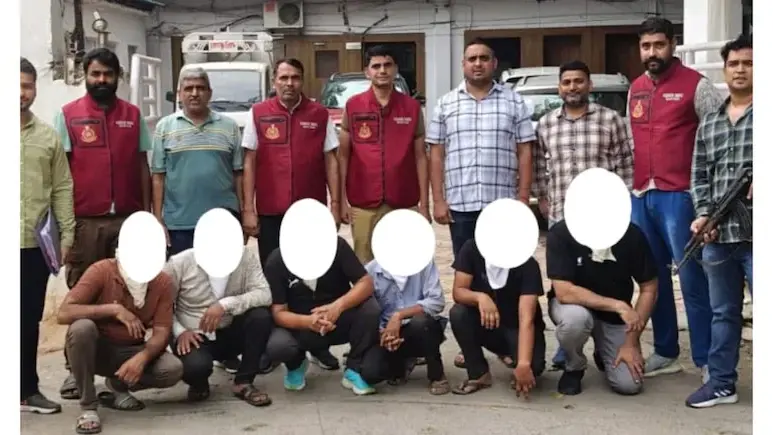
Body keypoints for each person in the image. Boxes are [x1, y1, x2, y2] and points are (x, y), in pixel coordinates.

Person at [426, 38, 536, 370]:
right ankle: (471, 344)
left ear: (494, 63)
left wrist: (522, 198)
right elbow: (436, 154)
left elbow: (525, 151)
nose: (477, 63)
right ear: (463, 64)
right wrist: (438, 199)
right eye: (472, 58)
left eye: (484, 58)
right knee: (469, 278)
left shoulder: (514, 101)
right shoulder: (446, 104)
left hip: (503, 208)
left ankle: (504, 341)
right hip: (462, 205)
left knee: (506, 276)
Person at [53, 48, 153, 400]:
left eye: (108, 74)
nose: (101, 80)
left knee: (128, 292)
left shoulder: (133, 115)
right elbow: (61, 174)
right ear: (85, 75)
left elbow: (142, 165)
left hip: (128, 220)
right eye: (95, 74)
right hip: (86, 222)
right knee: (83, 293)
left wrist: (147, 215)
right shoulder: (68, 115)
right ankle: (74, 370)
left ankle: (120, 367)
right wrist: (64, 225)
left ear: (117, 77)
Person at [628, 17, 724, 380]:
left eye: (658, 45)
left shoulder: (697, 85)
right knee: (652, 279)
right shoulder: (635, 88)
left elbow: (718, 141)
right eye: (645, 46)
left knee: (693, 280)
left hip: (681, 195)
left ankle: (707, 359)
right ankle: (666, 350)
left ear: (672, 44)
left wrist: (710, 200)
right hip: (642, 194)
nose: (652, 52)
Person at [241, 58, 341, 370]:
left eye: (295, 77)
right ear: (274, 81)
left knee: (314, 280)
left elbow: (331, 160)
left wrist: (336, 204)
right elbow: (249, 161)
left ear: (302, 80)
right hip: (271, 212)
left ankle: (318, 344)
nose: (289, 83)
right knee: (275, 280)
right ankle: (275, 346)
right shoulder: (258, 113)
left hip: (310, 215)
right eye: (283, 78)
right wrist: (248, 208)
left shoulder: (319, 114)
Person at [534, 60, 634, 369]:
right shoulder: (546, 124)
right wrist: (543, 198)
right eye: (567, 82)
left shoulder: (611, 120)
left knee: (604, 276)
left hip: (603, 219)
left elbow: (625, 165)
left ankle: (605, 339)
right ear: (559, 88)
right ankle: (568, 346)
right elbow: (539, 165)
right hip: (562, 219)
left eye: (579, 81)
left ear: (589, 85)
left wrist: (622, 207)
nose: (573, 87)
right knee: (565, 282)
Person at [685, 35, 753, 409]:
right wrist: (703, 215)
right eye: (734, 64)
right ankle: (722, 383)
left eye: (749, 63)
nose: (740, 70)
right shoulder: (710, 122)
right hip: (719, 235)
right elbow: (699, 176)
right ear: (725, 70)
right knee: (723, 314)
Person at [56, 256, 183, 433]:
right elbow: (64, 313)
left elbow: (162, 330)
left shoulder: (162, 281)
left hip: (131, 349)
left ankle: (117, 385)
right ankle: (88, 406)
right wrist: (114, 310)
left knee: (172, 369)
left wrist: (142, 358)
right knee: (81, 329)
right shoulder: (102, 270)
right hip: (97, 349)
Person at [20, 57, 76, 414]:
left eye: (26, 85)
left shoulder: (47, 137)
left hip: (32, 247)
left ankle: (26, 390)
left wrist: (66, 235)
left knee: (27, 320)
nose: (20, 93)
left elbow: (62, 187)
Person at [545, 219, 658, 396]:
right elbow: (564, 292)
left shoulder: (632, 233)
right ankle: (574, 366)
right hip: (574, 307)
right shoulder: (561, 232)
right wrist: (618, 306)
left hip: (613, 317)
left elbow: (649, 287)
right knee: (575, 321)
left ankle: (602, 350)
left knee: (629, 384)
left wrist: (631, 342)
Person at [338, 45, 429, 263]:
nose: (382, 70)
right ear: (367, 71)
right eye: (376, 66)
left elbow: (420, 158)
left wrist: (425, 206)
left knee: (404, 264)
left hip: (404, 202)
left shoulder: (412, 107)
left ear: (395, 69)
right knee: (365, 266)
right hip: (363, 204)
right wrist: (341, 201)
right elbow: (343, 156)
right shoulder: (353, 106)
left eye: (387, 65)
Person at [264, 237, 382, 396]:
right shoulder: (277, 260)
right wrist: (307, 322)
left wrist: (338, 306)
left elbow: (365, 283)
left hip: (339, 319)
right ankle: (296, 364)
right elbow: (278, 312)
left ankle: (354, 367)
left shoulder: (337, 245)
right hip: (300, 324)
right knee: (279, 345)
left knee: (371, 309)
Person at [151, 67, 244, 256]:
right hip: (179, 224)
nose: (194, 93)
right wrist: (158, 220)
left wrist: (244, 214)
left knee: (223, 273)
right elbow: (158, 177)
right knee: (183, 273)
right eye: (189, 88)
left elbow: (239, 174)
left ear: (210, 93)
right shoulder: (164, 127)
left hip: (223, 221)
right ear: (180, 94)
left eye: (200, 88)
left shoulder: (230, 127)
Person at [165, 245, 274, 406]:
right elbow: (162, 305)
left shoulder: (245, 256)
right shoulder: (179, 263)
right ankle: (198, 383)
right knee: (195, 367)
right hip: (194, 335)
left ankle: (243, 381)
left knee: (261, 317)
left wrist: (225, 305)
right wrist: (179, 331)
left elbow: (265, 294)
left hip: (231, 328)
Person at [448, 239, 547, 396]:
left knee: (534, 366)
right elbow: (458, 291)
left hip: (516, 327)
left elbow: (526, 319)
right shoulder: (472, 249)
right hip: (488, 323)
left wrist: (524, 363)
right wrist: (480, 297)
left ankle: (514, 358)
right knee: (458, 313)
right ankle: (478, 373)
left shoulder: (528, 264)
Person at [366, 259, 449, 395]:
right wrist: (382, 332)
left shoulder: (424, 263)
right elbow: (367, 309)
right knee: (370, 373)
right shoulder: (372, 269)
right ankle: (400, 365)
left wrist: (399, 315)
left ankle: (437, 375)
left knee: (422, 323)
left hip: (417, 327)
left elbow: (436, 301)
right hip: (387, 334)